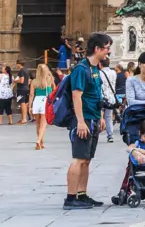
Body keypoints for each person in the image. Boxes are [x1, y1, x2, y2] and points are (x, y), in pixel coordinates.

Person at [63, 32, 112, 210]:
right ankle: (70, 198)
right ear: (97, 48)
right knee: (78, 158)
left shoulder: (95, 69)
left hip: (92, 117)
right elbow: (77, 96)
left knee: (86, 159)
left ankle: (82, 194)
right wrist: (81, 122)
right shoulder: (81, 69)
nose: (108, 51)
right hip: (82, 120)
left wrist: (99, 117)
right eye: (106, 48)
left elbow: (95, 96)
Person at [31, 63, 54, 150]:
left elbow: (31, 95)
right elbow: (54, 91)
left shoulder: (34, 81)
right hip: (45, 101)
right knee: (43, 124)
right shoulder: (50, 79)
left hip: (36, 101)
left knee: (37, 124)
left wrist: (30, 106)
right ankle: (38, 140)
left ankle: (41, 142)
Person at [14, 59, 31, 125]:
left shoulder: (21, 71)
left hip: (21, 89)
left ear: (19, 64)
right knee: (25, 103)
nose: (16, 65)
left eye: (17, 64)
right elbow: (29, 79)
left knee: (22, 103)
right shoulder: (27, 70)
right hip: (26, 88)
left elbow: (21, 81)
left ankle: (24, 119)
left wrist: (15, 81)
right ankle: (23, 118)